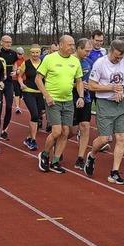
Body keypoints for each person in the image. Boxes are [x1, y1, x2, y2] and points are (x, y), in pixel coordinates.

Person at [84, 39, 124, 184]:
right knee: (105, 138)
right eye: (116, 56)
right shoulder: (100, 63)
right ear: (110, 51)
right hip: (105, 103)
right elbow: (92, 86)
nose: (118, 59)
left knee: (121, 137)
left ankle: (114, 172)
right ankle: (92, 155)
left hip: (120, 104)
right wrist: (111, 88)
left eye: (120, 57)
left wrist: (123, 88)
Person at [36, 35, 85, 174]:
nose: (72, 47)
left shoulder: (75, 61)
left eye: (73, 44)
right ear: (61, 45)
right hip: (53, 101)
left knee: (66, 132)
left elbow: (79, 80)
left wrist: (80, 96)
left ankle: (56, 161)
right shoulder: (49, 58)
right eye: (69, 44)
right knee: (56, 131)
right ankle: (45, 155)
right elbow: (38, 79)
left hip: (68, 101)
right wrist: (47, 96)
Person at [71, 39, 95, 170]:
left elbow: (93, 79)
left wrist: (90, 85)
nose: (88, 53)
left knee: (85, 126)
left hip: (85, 98)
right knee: (70, 131)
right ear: (78, 48)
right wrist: (77, 84)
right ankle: (57, 144)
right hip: (70, 98)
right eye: (86, 51)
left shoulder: (89, 62)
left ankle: (80, 157)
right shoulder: (69, 61)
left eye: (90, 51)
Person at [18, 46, 44, 151]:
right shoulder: (26, 63)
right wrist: (21, 84)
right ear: (30, 53)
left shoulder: (44, 63)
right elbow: (20, 76)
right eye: (33, 52)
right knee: (34, 114)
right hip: (28, 91)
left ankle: (28, 138)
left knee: (38, 116)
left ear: (40, 53)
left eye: (37, 52)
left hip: (40, 92)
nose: (35, 54)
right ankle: (33, 140)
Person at [0, 35, 18, 140]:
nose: (8, 44)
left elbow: (15, 64)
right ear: (1, 42)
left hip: (9, 83)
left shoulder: (13, 53)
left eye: (10, 42)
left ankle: (4, 130)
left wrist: (15, 71)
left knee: (9, 107)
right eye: (6, 42)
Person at [13, 46, 25, 114]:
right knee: (17, 93)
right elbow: (14, 71)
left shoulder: (25, 61)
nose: (19, 55)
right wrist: (17, 71)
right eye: (18, 53)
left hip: (23, 79)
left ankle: (19, 106)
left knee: (20, 94)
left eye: (21, 54)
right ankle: (17, 107)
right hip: (15, 79)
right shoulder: (15, 61)